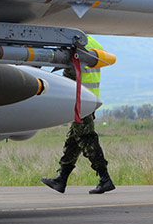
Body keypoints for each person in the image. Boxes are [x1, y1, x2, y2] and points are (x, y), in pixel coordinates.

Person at [41, 36, 116, 194]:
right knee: (74, 140)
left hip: (79, 100)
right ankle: (61, 179)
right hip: (90, 98)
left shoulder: (72, 43)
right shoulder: (94, 43)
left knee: (85, 138)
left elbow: (70, 76)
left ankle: (105, 178)